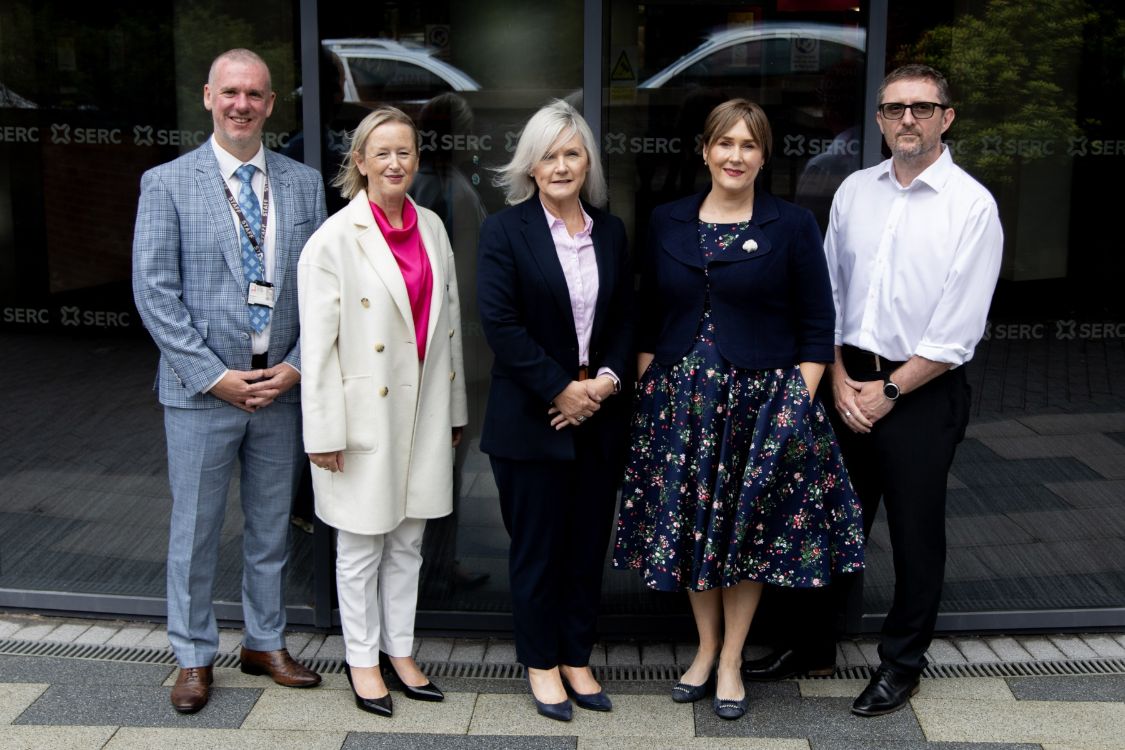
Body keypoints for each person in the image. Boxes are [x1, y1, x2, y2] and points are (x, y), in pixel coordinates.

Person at [743, 64, 1004, 718]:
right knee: (828, 523)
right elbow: (824, 294)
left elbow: (955, 332)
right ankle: (811, 646)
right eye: (893, 109)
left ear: (946, 116)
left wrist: (885, 391)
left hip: (920, 387)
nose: (906, 120)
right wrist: (837, 378)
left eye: (920, 107)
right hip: (846, 376)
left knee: (915, 534)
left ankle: (901, 664)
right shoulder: (856, 190)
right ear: (880, 119)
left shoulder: (971, 206)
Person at [613, 98, 865, 721]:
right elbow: (647, 313)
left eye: (748, 145)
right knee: (694, 525)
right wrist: (650, 381)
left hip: (762, 405)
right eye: (724, 143)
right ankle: (703, 649)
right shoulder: (667, 220)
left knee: (745, 532)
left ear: (763, 155)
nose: (735, 156)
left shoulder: (792, 225)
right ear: (704, 150)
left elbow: (816, 321)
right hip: (680, 404)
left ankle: (731, 660)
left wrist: (793, 405)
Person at [132, 48, 326, 714]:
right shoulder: (166, 183)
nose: (242, 104)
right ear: (208, 97)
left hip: (278, 389)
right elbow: (154, 293)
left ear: (271, 105)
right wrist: (214, 378)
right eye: (230, 92)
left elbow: (321, 289)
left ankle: (264, 641)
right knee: (195, 531)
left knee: (271, 528)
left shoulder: (303, 185)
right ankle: (191, 654)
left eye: (255, 94)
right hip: (199, 394)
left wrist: (296, 365)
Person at [298, 105, 468, 718]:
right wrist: (322, 433)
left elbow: (446, 330)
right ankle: (362, 658)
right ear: (360, 162)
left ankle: (401, 651)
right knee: (360, 547)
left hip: (420, 410)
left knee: (409, 542)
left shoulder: (433, 228)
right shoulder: (333, 240)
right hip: (362, 418)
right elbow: (316, 352)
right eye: (383, 153)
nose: (395, 163)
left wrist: (453, 412)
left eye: (405, 152)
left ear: (417, 160)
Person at [477, 100, 633, 722]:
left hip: (597, 419)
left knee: (586, 544)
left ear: (587, 161)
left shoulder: (612, 231)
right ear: (530, 165)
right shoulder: (504, 230)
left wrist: (602, 385)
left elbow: (624, 319)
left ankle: (576, 656)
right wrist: (559, 390)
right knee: (538, 549)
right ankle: (541, 663)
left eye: (572, 152)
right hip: (531, 422)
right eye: (549, 154)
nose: (562, 165)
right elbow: (501, 325)